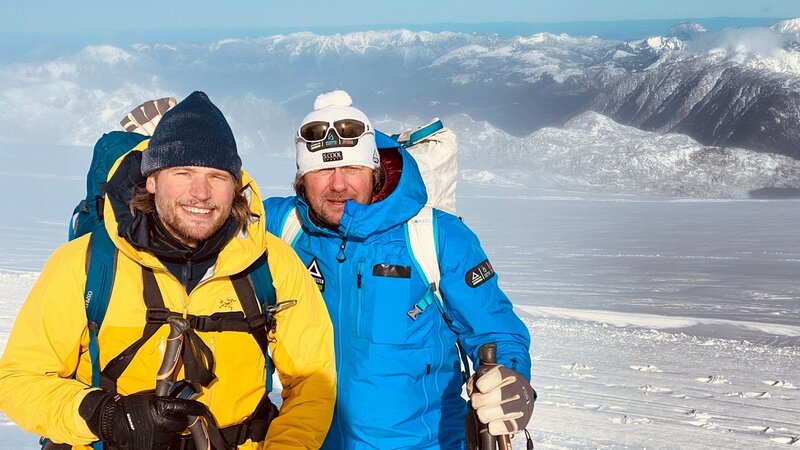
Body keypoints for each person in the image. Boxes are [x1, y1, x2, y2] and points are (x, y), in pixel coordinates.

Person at [0, 91, 336, 449]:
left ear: (235, 185)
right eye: (183, 172)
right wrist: (106, 416)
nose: (201, 193)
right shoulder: (86, 263)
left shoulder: (271, 263)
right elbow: (20, 380)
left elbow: (312, 384)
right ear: (152, 180)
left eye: (217, 176)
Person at [264, 90, 534, 449]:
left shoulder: (437, 237)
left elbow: (496, 332)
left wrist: (511, 380)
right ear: (301, 177)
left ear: (375, 170)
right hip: (307, 441)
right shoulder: (281, 226)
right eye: (323, 169)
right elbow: (214, 218)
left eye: (352, 168)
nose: (338, 184)